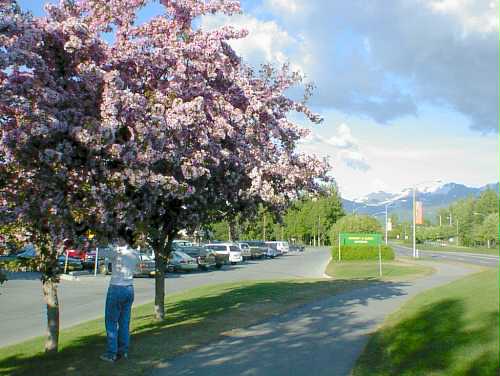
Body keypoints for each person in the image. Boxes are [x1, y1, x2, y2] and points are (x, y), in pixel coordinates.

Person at [100, 232, 140, 362]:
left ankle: (112, 353)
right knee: (124, 322)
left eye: (117, 238)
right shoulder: (134, 253)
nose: (116, 241)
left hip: (116, 288)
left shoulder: (117, 252)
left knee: (111, 322)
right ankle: (123, 350)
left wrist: (105, 243)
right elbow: (137, 270)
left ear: (122, 239)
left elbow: (101, 252)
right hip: (129, 288)